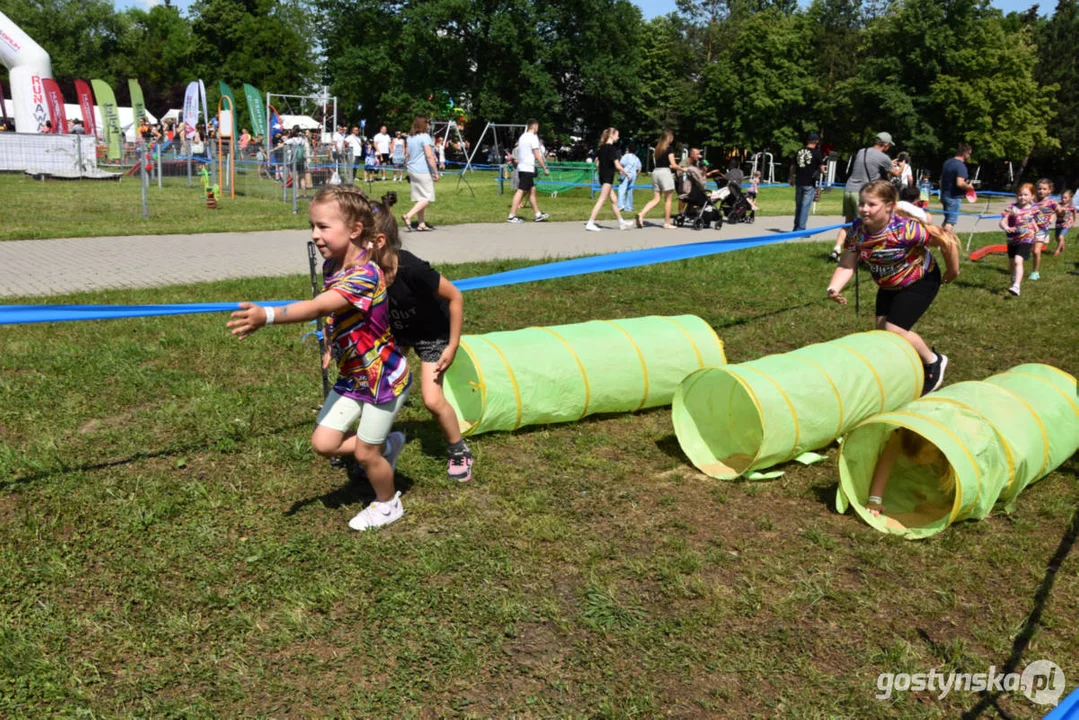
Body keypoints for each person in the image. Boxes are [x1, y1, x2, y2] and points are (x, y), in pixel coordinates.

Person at [227, 185, 412, 531]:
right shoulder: (333, 265)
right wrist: (331, 345)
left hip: (381, 379)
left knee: (364, 454)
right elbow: (334, 315)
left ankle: (388, 503)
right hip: (354, 376)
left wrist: (266, 315)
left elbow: (317, 306)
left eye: (323, 227)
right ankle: (389, 443)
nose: (315, 235)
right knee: (323, 443)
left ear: (355, 230)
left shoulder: (364, 275)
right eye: (312, 226)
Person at [373, 193, 474, 481]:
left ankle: (458, 449)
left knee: (431, 399)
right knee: (379, 386)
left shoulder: (412, 268)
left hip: (433, 333)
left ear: (379, 241)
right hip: (399, 333)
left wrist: (452, 345)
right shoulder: (367, 272)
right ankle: (373, 447)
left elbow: (455, 297)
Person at [826, 180, 959, 396]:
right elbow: (846, 264)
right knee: (882, 332)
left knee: (895, 330)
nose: (864, 209)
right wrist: (833, 287)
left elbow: (947, 241)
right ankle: (904, 369)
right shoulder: (857, 232)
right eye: (861, 204)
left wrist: (953, 271)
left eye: (871, 204)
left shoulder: (906, 230)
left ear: (888, 206)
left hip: (921, 279)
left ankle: (933, 361)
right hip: (888, 283)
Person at [829, 132, 901, 261]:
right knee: (864, 226)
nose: (889, 147)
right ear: (885, 144)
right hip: (862, 193)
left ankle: (837, 249)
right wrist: (901, 167)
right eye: (889, 145)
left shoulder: (862, 151)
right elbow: (894, 173)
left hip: (849, 189)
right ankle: (859, 256)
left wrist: (888, 163)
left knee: (848, 223)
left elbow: (871, 163)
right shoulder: (883, 157)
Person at [865, 428, 955, 518]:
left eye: (926, 454)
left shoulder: (950, 441)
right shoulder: (901, 433)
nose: (922, 459)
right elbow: (887, 459)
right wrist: (874, 500)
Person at [585, 128, 632, 231]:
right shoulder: (612, 149)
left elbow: (597, 163)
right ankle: (590, 222)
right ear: (611, 135)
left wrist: (602, 170)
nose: (618, 137)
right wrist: (627, 173)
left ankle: (621, 222)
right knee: (602, 199)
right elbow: (617, 165)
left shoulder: (601, 148)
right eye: (617, 135)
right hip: (607, 177)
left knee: (614, 200)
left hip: (602, 176)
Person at [635, 129, 682, 229]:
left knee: (656, 198)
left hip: (656, 172)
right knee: (668, 200)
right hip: (665, 173)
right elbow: (673, 165)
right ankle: (667, 222)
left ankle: (641, 214)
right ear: (669, 138)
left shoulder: (657, 148)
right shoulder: (669, 149)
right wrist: (683, 169)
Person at [998, 183, 1039, 297]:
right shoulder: (1012, 208)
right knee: (1012, 263)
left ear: (1032, 196)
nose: (1022, 197)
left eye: (1026, 195)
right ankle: (1013, 278)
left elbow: (1031, 219)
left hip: (1027, 238)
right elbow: (1002, 221)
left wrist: (1035, 227)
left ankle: (1017, 286)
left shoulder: (1034, 208)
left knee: (1017, 260)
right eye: (1020, 195)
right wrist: (1006, 227)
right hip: (1012, 239)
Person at [506, 119, 551, 223]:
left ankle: (538, 214)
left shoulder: (523, 136)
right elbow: (537, 154)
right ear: (534, 126)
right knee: (521, 190)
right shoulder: (533, 137)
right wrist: (544, 167)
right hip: (527, 167)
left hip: (522, 167)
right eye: (537, 126)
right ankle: (511, 215)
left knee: (532, 190)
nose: (538, 129)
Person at [401, 115, 439, 232]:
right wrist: (435, 172)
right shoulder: (425, 137)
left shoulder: (410, 137)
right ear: (424, 124)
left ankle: (421, 224)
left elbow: (407, 155)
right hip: (422, 170)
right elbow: (429, 155)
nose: (429, 125)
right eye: (427, 123)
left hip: (412, 169)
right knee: (427, 197)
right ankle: (408, 215)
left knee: (420, 197)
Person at [792, 132, 825, 231]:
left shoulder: (799, 151)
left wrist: (791, 177)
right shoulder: (817, 153)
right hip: (810, 182)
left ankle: (796, 226)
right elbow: (822, 168)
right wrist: (822, 171)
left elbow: (793, 166)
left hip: (799, 181)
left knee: (798, 205)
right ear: (816, 141)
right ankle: (801, 229)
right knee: (805, 206)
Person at [939, 142, 973, 233]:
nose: (969, 156)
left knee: (947, 220)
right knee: (950, 222)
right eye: (969, 154)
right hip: (954, 197)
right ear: (965, 153)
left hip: (944, 195)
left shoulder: (947, 163)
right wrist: (969, 187)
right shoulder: (960, 166)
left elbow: (941, 179)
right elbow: (960, 183)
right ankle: (946, 244)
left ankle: (940, 242)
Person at [1030, 178, 1059, 280]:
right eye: (1039, 189)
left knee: (1036, 251)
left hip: (1041, 230)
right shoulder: (1032, 200)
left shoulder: (1052, 202)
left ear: (1049, 190)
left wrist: (1053, 217)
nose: (1041, 191)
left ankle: (1035, 272)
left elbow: (1057, 211)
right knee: (1026, 249)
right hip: (1029, 228)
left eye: (1044, 189)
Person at [618, 143, 641, 213]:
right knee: (630, 191)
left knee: (622, 189)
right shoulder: (636, 157)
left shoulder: (626, 156)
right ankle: (629, 207)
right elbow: (639, 168)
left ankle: (620, 205)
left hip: (626, 174)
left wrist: (620, 172)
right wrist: (637, 175)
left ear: (628, 149)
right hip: (633, 174)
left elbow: (620, 164)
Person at [1054, 188, 1074, 256]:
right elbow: (1054, 211)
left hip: (1066, 224)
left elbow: (1074, 213)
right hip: (1058, 223)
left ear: (1069, 198)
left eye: (1065, 198)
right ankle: (1062, 243)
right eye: (1062, 197)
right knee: (1056, 237)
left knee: (1060, 237)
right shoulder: (1058, 205)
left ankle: (1057, 250)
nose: (1063, 199)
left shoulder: (1071, 207)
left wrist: (1073, 222)